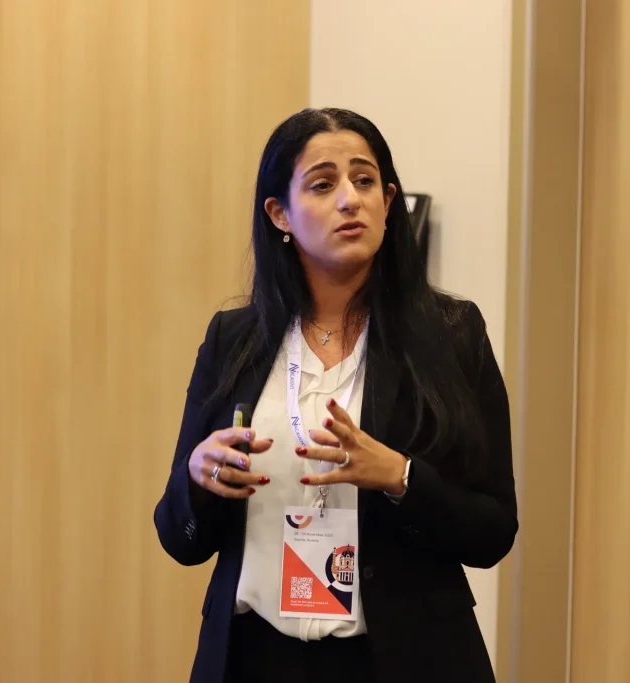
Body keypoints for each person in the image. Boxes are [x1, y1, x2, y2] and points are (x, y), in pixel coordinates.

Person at [154, 107, 517, 683]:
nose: (350, 199)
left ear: (388, 202)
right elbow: (179, 538)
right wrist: (198, 479)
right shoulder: (233, 339)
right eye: (323, 185)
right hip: (254, 658)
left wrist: (400, 477)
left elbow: (493, 531)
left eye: (365, 180)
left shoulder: (451, 334)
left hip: (403, 661)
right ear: (280, 214)